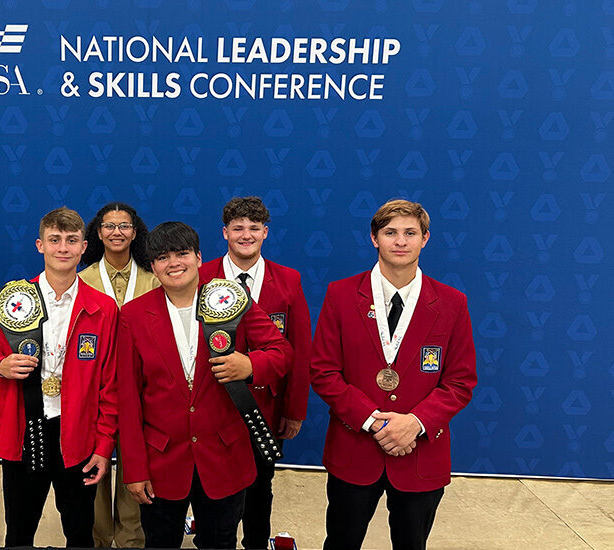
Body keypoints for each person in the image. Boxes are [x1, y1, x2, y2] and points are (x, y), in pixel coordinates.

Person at [309, 199, 477, 550]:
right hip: (355, 449)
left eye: (410, 233)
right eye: (390, 233)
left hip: (420, 452)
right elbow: (323, 371)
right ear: (374, 238)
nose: (400, 241)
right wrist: (374, 421)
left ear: (425, 239)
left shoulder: (452, 303)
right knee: (340, 542)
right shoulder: (340, 295)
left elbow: (460, 382)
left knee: (412, 544)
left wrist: (413, 423)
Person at [117, 221, 292, 549]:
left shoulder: (230, 299)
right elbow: (128, 398)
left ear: (199, 258)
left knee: (220, 541)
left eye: (182, 253)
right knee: (159, 541)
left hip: (224, 455)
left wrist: (250, 364)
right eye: (163, 257)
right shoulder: (134, 315)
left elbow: (282, 353)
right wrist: (135, 469)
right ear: (152, 266)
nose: (174, 263)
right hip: (161, 460)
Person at [0, 206, 118, 548]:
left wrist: (104, 444)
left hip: (78, 437)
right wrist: (1, 365)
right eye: (55, 240)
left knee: (80, 533)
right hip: (24, 433)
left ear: (84, 247)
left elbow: (110, 383)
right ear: (40, 245)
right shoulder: (12, 299)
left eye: (71, 240)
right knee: (19, 532)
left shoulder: (104, 308)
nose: (63, 248)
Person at [198, 196, 311, 550]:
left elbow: (299, 349)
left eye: (253, 228)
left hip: (265, 406)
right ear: (225, 233)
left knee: (261, 483)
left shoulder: (288, 280)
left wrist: (294, 410)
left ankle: (257, 543)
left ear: (265, 232)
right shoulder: (201, 277)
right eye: (237, 228)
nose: (246, 235)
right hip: (213, 405)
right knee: (212, 485)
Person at [78, 202, 159, 548]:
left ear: (135, 231)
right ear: (98, 233)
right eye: (109, 226)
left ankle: (130, 537)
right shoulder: (82, 280)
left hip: (141, 388)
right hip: (94, 388)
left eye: (124, 226)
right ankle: (99, 536)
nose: (116, 232)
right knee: (93, 466)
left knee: (135, 464)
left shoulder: (154, 278)